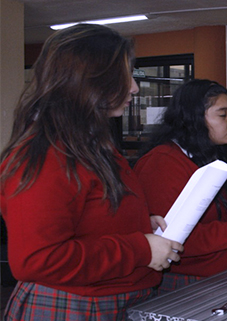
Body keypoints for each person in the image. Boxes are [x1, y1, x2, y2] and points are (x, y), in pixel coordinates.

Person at [0, 24, 183, 320]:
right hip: (75, 305)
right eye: (125, 75)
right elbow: (36, 260)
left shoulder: (88, 142)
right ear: (88, 79)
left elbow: (88, 216)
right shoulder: (47, 153)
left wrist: (137, 225)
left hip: (110, 297)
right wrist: (140, 248)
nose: (134, 88)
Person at [133, 79, 227, 294]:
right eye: (223, 115)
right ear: (194, 118)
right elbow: (173, 237)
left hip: (226, 273)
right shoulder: (161, 163)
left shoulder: (217, 155)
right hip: (188, 282)